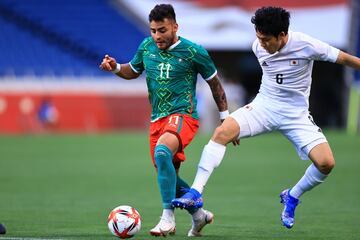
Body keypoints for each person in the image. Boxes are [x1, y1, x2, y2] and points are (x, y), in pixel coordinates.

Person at [172, 6, 360, 229]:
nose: (261, 43)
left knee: (326, 163)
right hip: (264, 107)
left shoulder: (307, 45)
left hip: (295, 115)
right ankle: (195, 192)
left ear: (282, 35)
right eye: (258, 37)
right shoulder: (258, 46)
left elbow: (346, 59)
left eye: (266, 39)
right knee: (222, 132)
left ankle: (292, 195)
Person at [99, 4, 231, 237]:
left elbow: (215, 84)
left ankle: (167, 218)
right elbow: (133, 70)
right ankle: (199, 216)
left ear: (175, 26)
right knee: (167, 171)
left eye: (162, 30)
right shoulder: (146, 46)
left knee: (162, 153)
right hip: (157, 119)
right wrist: (116, 67)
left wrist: (225, 119)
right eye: (153, 30)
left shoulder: (193, 51)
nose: (157, 36)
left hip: (184, 115)